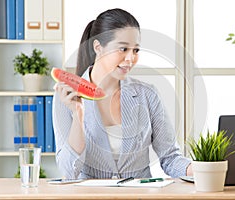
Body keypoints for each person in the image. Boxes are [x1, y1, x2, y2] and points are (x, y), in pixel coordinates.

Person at [52, 8, 192, 179]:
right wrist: (78, 114)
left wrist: (200, 170)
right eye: (123, 49)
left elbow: (170, 158)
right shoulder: (66, 97)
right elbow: (68, 171)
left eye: (136, 50)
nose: (130, 58)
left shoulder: (147, 95)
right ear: (98, 47)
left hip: (139, 196)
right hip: (90, 196)